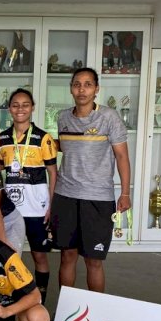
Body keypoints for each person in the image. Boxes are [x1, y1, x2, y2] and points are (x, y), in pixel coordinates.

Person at [51, 67, 131, 293]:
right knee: (67, 256)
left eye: (87, 84)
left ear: (96, 89)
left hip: (97, 199)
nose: (82, 89)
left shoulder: (109, 117)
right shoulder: (63, 118)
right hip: (65, 196)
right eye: (77, 84)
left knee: (93, 260)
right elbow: (66, 148)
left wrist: (125, 193)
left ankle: (95, 313)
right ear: (71, 89)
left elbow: (122, 156)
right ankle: (67, 311)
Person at [0, 89, 58, 303]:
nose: (20, 109)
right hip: (10, 210)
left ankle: (38, 298)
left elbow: (53, 173)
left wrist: (52, 206)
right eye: (15, 104)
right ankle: (11, 297)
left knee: (39, 255)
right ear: (9, 109)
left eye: (25, 104)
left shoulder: (43, 138)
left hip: (37, 209)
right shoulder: (2, 138)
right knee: (9, 255)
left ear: (32, 108)